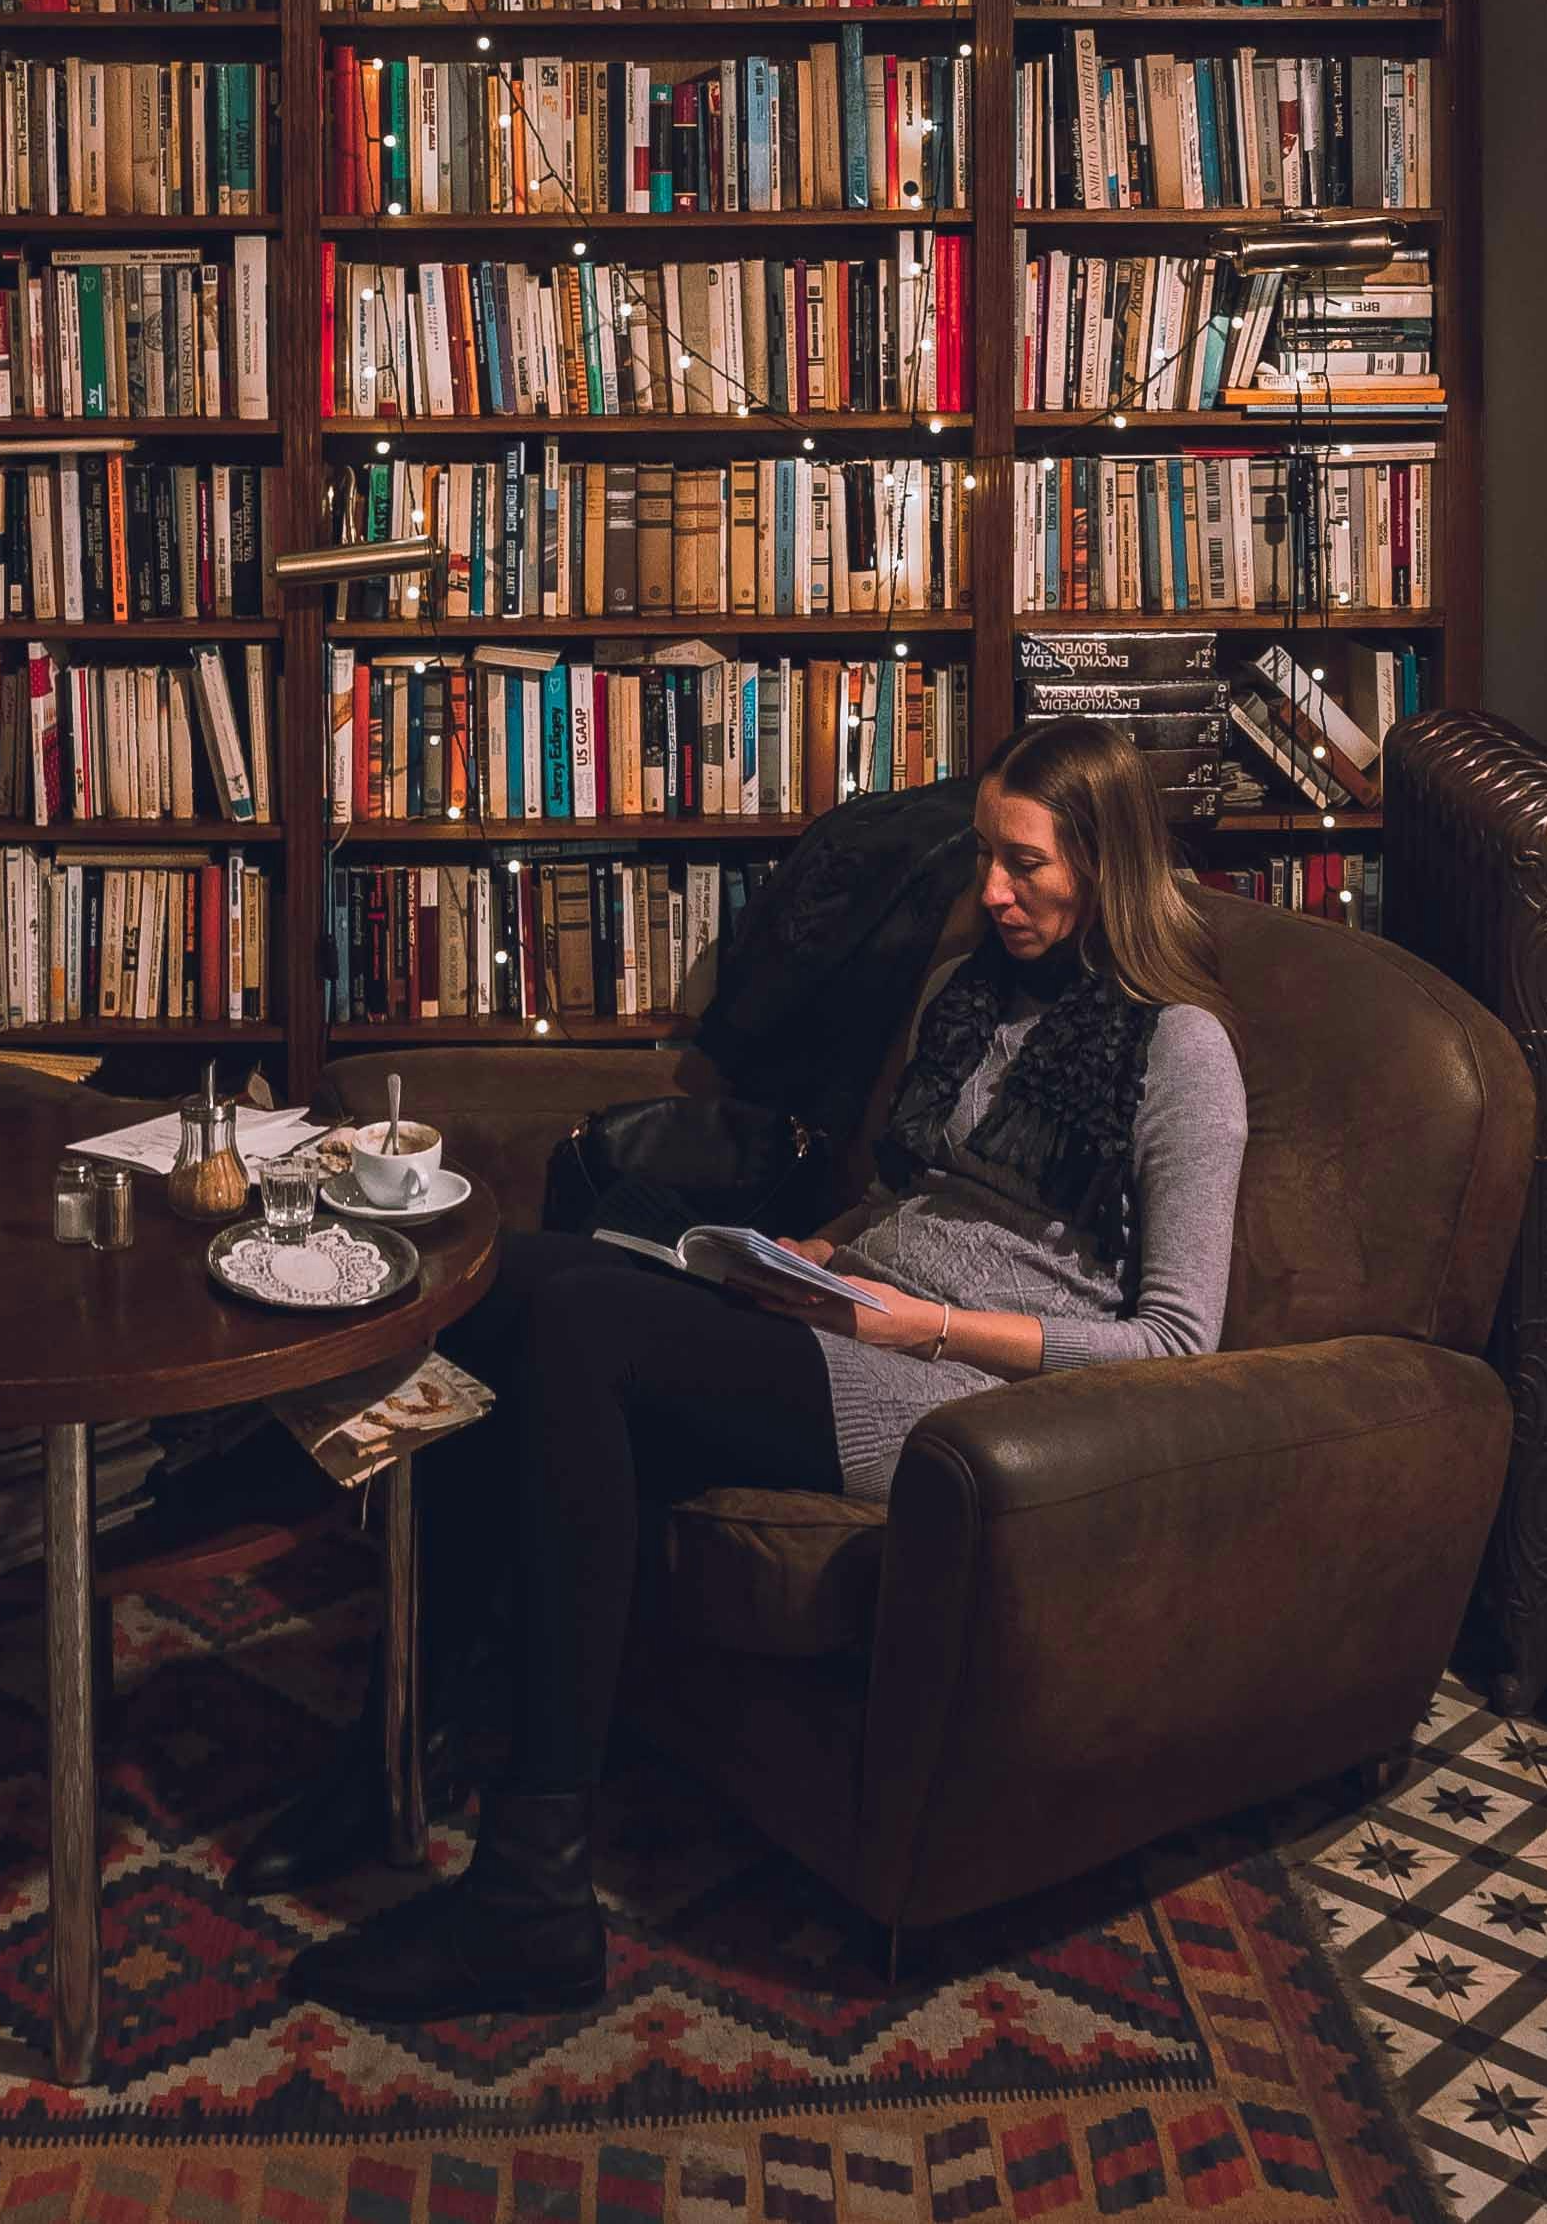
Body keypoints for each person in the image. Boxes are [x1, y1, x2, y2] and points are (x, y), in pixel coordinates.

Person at [274, 715, 1250, 2017]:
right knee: (501, 1275)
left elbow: (1181, 1341)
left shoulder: (1182, 1052)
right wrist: (821, 1252)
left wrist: (928, 1329)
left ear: (1109, 866)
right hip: (853, 1311)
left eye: (1023, 865)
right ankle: (398, 1747)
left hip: (962, 1396)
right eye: (984, 857)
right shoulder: (988, 988)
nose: (992, 892)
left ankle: (529, 1893)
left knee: (583, 1332)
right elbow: (930, 1202)